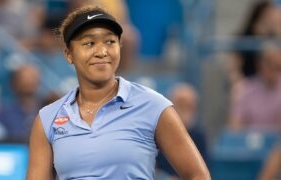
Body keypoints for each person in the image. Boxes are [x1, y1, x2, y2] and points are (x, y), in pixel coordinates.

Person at [26, 5, 210, 180]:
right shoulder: (47, 119)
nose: (102, 51)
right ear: (69, 54)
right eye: (89, 43)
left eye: (110, 42)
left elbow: (198, 175)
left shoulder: (154, 106)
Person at [156, 83, 209, 178]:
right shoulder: (158, 132)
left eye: (189, 105)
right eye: (180, 104)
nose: (185, 109)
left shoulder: (199, 135)